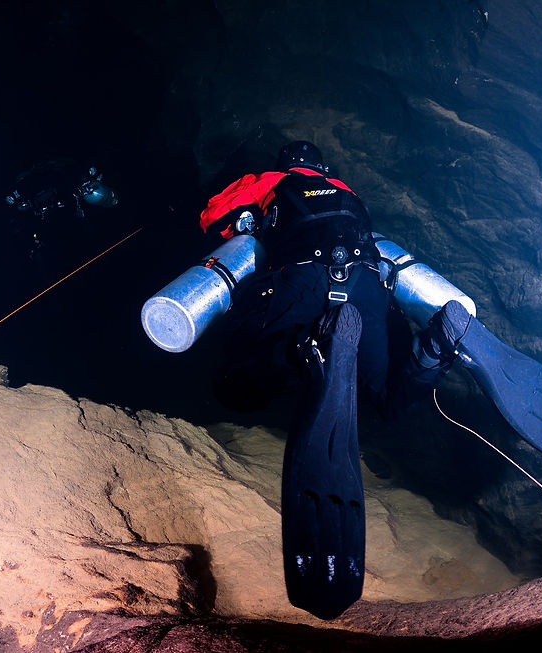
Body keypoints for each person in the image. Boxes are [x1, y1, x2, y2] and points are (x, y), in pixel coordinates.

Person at [198, 141, 471, 619]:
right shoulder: (347, 191)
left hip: (301, 280)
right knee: (386, 401)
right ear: (323, 168)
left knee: (236, 385)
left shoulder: (271, 182)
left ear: (287, 165)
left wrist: (247, 222)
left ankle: (307, 349)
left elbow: (214, 220)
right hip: (366, 287)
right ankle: (432, 352)